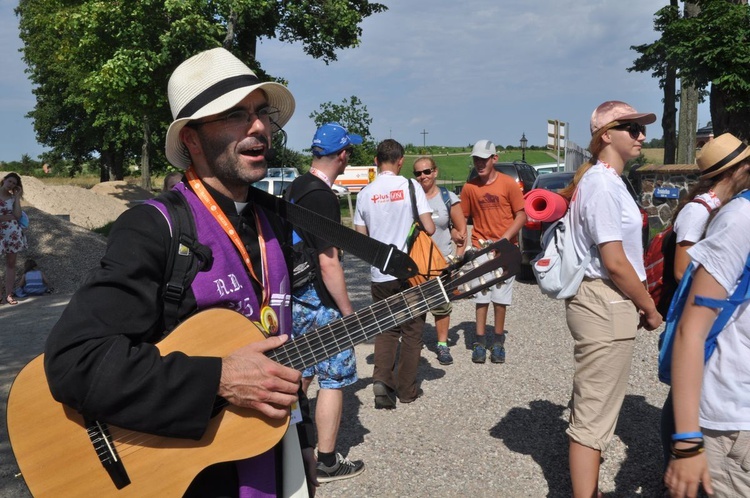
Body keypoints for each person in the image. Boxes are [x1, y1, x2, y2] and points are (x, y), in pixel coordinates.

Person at [44, 47, 318, 497]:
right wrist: (220, 378)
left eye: (260, 112)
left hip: (270, 454)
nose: (259, 128)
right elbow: (75, 360)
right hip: (187, 475)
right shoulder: (155, 227)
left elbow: (273, 342)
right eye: (235, 115)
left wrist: (301, 440)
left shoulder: (275, 223)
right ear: (191, 139)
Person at [558, 101, 663, 498]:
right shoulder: (602, 184)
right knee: (593, 414)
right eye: (632, 129)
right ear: (606, 136)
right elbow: (615, 261)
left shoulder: (607, 180)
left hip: (605, 301)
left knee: (594, 403)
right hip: (604, 300)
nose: (641, 136)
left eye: (642, 129)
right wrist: (649, 307)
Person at [658, 132, 750, 472]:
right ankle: (673, 456)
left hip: (713, 310)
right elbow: (684, 270)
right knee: (679, 393)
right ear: (735, 171)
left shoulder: (721, 208)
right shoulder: (701, 212)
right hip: (704, 313)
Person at [286, 123, 365, 482]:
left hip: (296, 296)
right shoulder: (323, 196)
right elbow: (328, 260)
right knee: (332, 378)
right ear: (343, 154)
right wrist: (348, 313)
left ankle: (286, 446)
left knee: (298, 373)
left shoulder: (297, 186)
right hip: (320, 299)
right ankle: (328, 460)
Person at [353, 139, 435, 408]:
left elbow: (360, 238)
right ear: (400, 161)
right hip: (411, 272)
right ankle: (407, 390)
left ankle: (382, 382)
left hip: (380, 274)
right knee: (412, 332)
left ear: (377, 161)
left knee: (386, 329)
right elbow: (430, 228)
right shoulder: (411, 186)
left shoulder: (365, 193)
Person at [460, 140, 526, 364]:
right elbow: (463, 216)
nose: (479, 163)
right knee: (481, 295)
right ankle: (479, 341)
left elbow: (521, 215)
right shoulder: (470, 188)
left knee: (501, 298)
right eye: (476, 159)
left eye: (484, 159)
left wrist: (505, 240)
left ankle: (498, 341)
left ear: (494, 159)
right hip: (481, 248)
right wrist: (458, 236)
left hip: (504, 249)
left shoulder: (508, 184)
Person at [413, 156, 467, 365]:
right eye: (418, 173)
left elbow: (461, 231)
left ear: (435, 172)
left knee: (442, 306)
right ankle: (413, 344)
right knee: (415, 305)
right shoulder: (412, 197)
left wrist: (458, 260)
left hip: (442, 261)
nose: (423, 176)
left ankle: (442, 345)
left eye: (427, 171)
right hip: (417, 262)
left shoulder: (448, 197)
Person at [0, 172, 27, 305]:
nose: (11, 185)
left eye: (14, 184)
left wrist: (16, 197)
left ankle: (9, 295)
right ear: (4, 180)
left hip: (12, 233)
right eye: (10, 181)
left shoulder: (12, 198)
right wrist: (4, 217)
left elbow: (17, 215)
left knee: (11, 264)